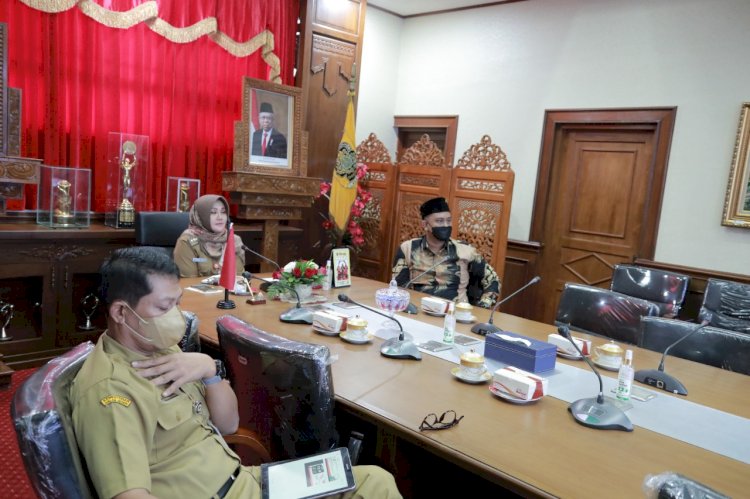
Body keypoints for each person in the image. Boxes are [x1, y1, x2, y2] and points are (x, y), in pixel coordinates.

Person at [70, 247, 402, 498]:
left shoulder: (160, 347)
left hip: (244, 481)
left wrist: (209, 370)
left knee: (375, 481)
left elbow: (228, 424)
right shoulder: (110, 391)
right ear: (121, 312)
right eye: (163, 307)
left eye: (177, 302)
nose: (177, 316)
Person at [391, 197, 500, 308]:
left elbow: (493, 281)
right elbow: (398, 287)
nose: (446, 225)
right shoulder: (408, 248)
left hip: (455, 314)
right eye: (439, 221)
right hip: (418, 311)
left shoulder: (466, 251)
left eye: (448, 220)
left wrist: (482, 308)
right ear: (425, 225)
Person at [173, 194, 245, 278]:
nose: (220, 217)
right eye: (213, 212)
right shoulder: (187, 241)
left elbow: (240, 277)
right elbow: (188, 283)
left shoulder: (234, 240)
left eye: (223, 212)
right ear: (200, 217)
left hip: (232, 291)